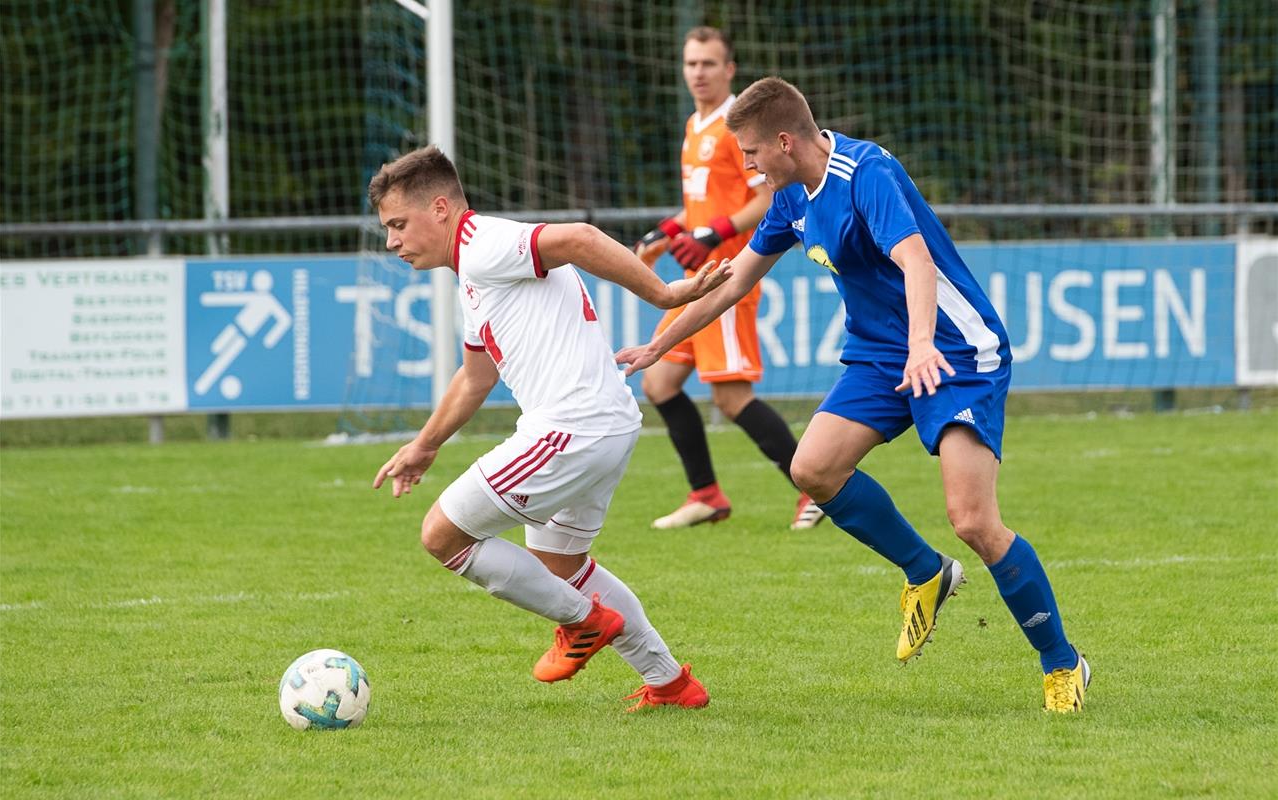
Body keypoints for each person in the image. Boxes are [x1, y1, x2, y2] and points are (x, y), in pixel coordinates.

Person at [617, 77, 1091, 713]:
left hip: (955, 352)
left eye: (752, 153)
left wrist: (923, 343)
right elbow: (731, 286)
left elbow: (918, 263)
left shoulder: (864, 173)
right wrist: (659, 344)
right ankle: (926, 573)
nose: (748, 166)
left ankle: (1063, 664)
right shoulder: (789, 198)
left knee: (974, 521)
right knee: (812, 467)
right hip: (879, 354)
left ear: (785, 141)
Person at [370, 145, 725, 711]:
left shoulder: (482, 245)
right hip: (605, 426)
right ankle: (671, 683)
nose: (392, 242)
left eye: (397, 224)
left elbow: (579, 238)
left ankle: (582, 624)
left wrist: (666, 294)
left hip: (570, 429)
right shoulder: (474, 274)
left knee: (442, 535)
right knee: (565, 568)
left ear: (439, 208)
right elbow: (475, 377)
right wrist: (424, 446)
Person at [633, 27, 825, 532]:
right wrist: (666, 232)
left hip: (726, 275)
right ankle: (707, 495)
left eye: (709, 64)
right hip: (694, 275)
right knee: (660, 380)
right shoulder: (695, 126)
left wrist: (713, 232)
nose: (698, 72)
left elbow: (766, 200)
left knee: (731, 396)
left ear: (730, 70)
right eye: (691, 63)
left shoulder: (743, 127)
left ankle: (815, 489)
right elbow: (703, 205)